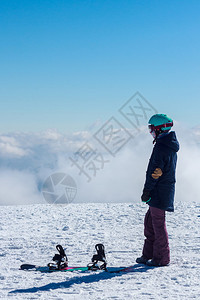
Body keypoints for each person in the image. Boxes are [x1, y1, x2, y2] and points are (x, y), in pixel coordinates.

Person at [136, 114, 179, 267]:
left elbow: (155, 172)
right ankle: (148, 254)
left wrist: (147, 190)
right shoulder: (165, 144)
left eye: (151, 129)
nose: (150, 132)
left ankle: (161, 258)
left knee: (158, 225)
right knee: (150, 223)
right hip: (160, 191)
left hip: (160, 192)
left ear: (159, 129)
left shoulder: (162, 147)